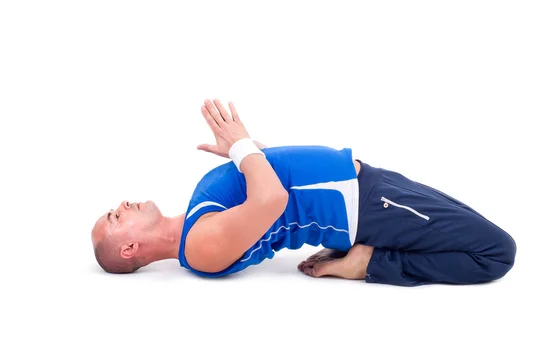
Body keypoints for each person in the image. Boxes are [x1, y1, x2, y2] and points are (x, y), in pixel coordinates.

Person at [91, 99, 516, 286]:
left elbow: (270, 195)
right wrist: (240, 148)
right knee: (497, 252)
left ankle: (369, 259)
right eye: (116, 216)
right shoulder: (199, 247)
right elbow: (271, 200)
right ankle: (371, 264)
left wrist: (246, 150)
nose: (123, 204)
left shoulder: (195, 220)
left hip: (367, 187)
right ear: (129, 248)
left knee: (477, 233)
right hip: (366, 206)